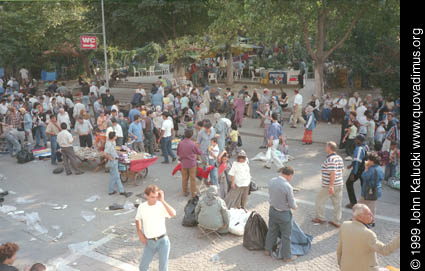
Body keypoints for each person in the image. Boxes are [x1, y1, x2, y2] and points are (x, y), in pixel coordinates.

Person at [337, 204, 400, 271]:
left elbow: (339, 250)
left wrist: (341, 266)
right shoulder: (368, 234)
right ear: (360, 217)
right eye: (368, 214)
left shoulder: (345, 225)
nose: (372, 216)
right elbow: (385, 250)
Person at [135, 185, 176, 271]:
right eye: (152, 197)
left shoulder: (161, 205)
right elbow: (137, 219)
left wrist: (162, 200)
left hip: (163, 241)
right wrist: (140, 233)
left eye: (156, 197)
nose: (155, 199)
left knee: (163, 268)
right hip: (150, 242)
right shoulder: (142, 207)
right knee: (143, 267)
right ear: (146, 196)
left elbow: (173, 214)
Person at [264, 166, 298, 262]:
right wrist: (296, 206)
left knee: (271, 231)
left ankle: (267, 250)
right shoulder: (288, 186)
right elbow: (292, 205)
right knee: (286, 236)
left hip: (272, 210)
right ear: (290, 175)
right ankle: (287, 256)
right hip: (284, 214)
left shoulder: (272, 181)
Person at [312, 141, 344, 228]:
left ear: (329, 148)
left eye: (326, 146)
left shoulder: (330, 159)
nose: (325, 148)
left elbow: (332, 173)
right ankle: (337, 221)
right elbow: (341, 170)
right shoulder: (339, 158)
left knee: (320, 200)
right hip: (339, 183)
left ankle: (320, 218)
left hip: (329, 185)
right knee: (337, 203)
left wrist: (331, 186)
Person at [104, 132, 132, 197]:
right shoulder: (108, 144)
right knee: (117, 177)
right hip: (113, 161)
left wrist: (121, 151)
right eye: (115, 136)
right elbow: (105, 153)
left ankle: (111, 191)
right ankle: (121, 191)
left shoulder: (113, 142)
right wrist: (110, 158)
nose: (116, 137)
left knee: (113, 176)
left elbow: (114, 150)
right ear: (113, 137)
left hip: (115, 160)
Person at [359, 153, 383, 226]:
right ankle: (371, 221)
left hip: (367, 191)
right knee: (372, 206)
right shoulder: (379, 168)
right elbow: (381, 178)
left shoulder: (371, 169)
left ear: (372, 161)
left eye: (368, 159)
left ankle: (363, 220)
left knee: (361, 206)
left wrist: (366, 168)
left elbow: (364, 177)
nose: (367, 160)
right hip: (376, 191)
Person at [177, 129, 202, 197]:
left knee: (184, 178)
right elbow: (199, 152)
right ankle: (193, 193)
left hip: (184, 163)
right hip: (192, 164)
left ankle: (185, 192)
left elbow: (178, 153)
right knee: (192, 178)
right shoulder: (192, 144)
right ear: (191, 136)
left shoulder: (180, 143)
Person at [346, 135, 369, 209]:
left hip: (359, 169)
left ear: (359, 140)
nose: (354, 140)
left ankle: (353, 202)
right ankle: (365, 203)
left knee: (349, 183)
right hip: (364, 168)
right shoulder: (365, 146)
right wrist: (351, 164)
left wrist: (353, 173)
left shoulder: (359, 148)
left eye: (356, 139)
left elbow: (357, 162)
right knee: (363, 185)